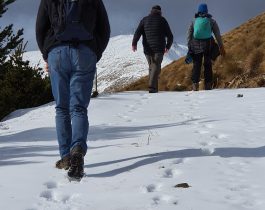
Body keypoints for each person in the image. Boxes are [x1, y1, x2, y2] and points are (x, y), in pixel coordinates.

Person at [36, 0, 110, 180]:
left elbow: (40, 28)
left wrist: (47, 52)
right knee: (78, 108)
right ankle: (77, 150)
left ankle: (66, 156)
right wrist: (94, 52)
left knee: (62, 108)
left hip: (57, 53)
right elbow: (104, 28)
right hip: (85, 53)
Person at [132, 5, 173, 93]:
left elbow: (137, 32)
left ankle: (153, 89)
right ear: (160, 12)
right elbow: (170, 36)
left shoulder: (144, 20)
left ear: (151, 11)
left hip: (147, 48)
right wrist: (168, 46)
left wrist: (134, 43)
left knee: (152, 66)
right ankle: (152, 87)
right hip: (159, 48)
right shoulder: (162, 20)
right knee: (156, 66)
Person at [187, 3, 225, 91]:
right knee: (208, 65)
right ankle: (208, 86)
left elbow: (189, 34)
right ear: (207, 11)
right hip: (208, 45)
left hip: (195, 45)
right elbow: (217, 35)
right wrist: (221, 47)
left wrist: (189, 46)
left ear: (198, 11)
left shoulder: (193, 21)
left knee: (196, 65)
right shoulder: (212, 21)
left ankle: (195, 86)